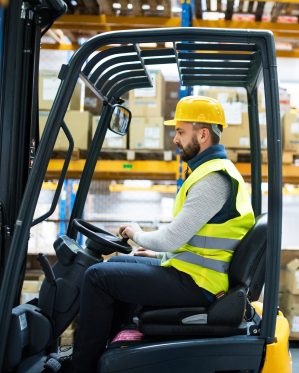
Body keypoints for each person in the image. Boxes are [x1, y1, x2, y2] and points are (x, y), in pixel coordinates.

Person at [43, 96, 254, 373]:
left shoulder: (213, 178)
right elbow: (195, 241)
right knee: (116, 265)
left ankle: (81, 367)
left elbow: (172, 238)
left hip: (201, 285)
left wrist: (138, 234)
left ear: (202, 134)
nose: (175, 139)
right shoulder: (209, 173)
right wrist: (157, 253)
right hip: (196, 275)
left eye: (180, 131)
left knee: (96, 277)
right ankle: (106, 353)